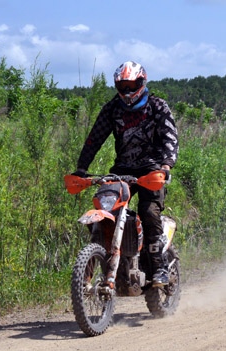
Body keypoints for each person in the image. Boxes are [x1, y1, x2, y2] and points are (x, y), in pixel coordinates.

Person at [72, 61, 178, 286]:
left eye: (132, 86)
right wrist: (81, 168)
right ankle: (102, 268)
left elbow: (170, 137)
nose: (128, 91)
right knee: (106, 208)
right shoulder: (113, 109)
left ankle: (159, 267)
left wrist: (166, 165)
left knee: (149, 212)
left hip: (152, 170)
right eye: (123, 86)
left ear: (142, 83)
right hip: (122, 169)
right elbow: (94, 139)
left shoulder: (157, 106)